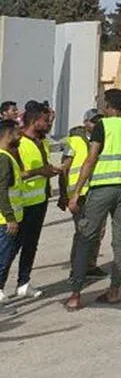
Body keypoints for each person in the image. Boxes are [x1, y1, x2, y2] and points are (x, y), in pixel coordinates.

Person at [63, 89, 121, 311]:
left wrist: (76, 192)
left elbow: (91, 160)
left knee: (86, 236)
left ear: (107, 104)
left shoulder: (103, 126)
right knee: (120, 241)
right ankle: (115, 290)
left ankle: (75, 294)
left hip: (102, 189)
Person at [1, 101, 60, 300]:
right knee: (11, 247)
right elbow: (16, 175)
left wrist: (49, 174)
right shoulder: (18, 144)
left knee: (31, 245)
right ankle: (0, 286)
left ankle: (24, 283)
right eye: (46, 121)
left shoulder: (42, 142)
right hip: (21, 205)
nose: (50, 124)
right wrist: (38, 172)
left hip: (39, 202)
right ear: (34, 121)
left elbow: (42, 167)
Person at [58, 109, 107, 280]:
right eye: (94, 121)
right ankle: (76, 268)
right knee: (82, 232)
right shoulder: (75, 142)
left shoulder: (104, 139)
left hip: (98, 190)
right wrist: (64, 194)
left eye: (100, 120)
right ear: (86, 123)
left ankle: (90, 265)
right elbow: (64, 169)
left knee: (99, 230)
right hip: (79, 195)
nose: (97, 124)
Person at [0, 120, 24, 313]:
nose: (20, 136)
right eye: (17, 133)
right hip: (3, 222)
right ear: (8, 134)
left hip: (5, 220)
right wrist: (10, 217)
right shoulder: (3, 158)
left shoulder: (7, 156)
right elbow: (1, 191)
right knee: (1, 261)